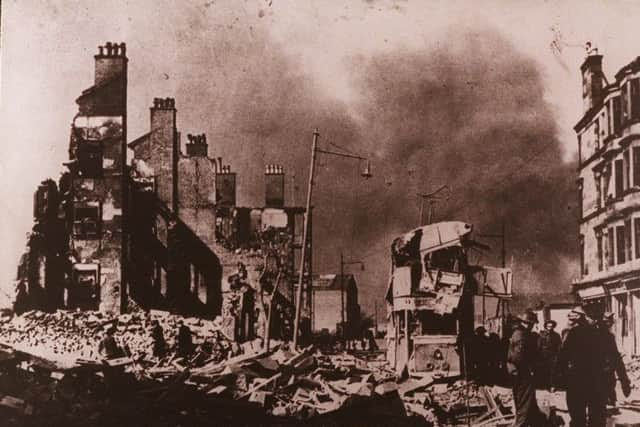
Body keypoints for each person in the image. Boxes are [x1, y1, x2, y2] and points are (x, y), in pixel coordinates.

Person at [555, 304, 622, 427]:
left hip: (577, 381)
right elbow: (616, 358)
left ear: (587, 317)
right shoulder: (606, 335)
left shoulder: (575, 333)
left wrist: (558, 378)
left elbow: (562, 358)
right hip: (597, 381)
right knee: (597, 418)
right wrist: (624, 380)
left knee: (577, 418)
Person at [507, 310, 542, 427]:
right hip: (522, 372)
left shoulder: (518, 333)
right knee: (524, 402)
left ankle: (538, 422)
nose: (532, 326)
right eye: (531, 324)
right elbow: (518, 357)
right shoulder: (522, 335)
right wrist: (529, 368)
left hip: (517, 371)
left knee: (528, 401)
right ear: (527, 323)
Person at [600, 312, 631, 407]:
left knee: (612, 379)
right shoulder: (603, 333)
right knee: (607, 379)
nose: (610, 323)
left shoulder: (612, 332)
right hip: (605, 360)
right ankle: (609, 398)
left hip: (612, 359)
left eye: (611, 321)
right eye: (608, 321)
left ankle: (611, 398)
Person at [537, 319, 562, 389]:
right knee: (544, 370)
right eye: (548, 326)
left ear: (553, 327)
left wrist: (557, 355)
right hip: (543, 355)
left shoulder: (556, 335)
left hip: (553, 355)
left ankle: (552, 385)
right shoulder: (541, 335)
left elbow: (559, 346)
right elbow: (539, 345)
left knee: (552, 371)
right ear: (546, 326)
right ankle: (544, 385)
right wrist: (539, 355)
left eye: (551, 326)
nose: (550, 328)